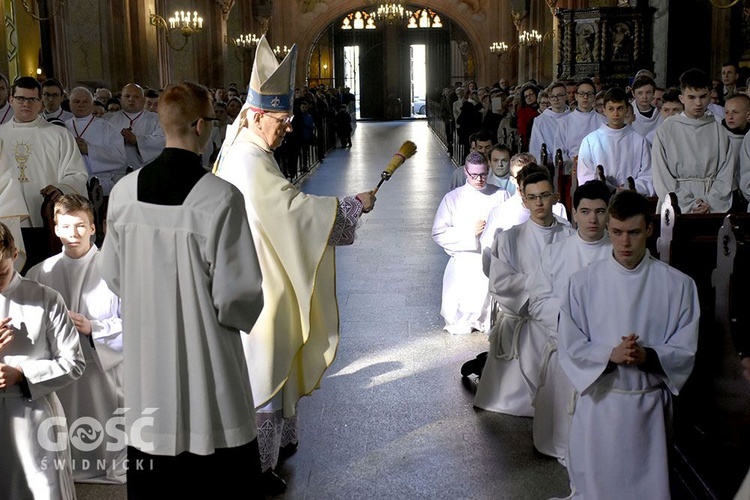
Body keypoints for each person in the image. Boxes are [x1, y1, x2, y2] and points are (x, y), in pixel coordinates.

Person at [214, 36, 376, 493]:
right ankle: (255, 469)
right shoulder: (248, 159)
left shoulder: (245, 146)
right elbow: (288, 212)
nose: (288, 128)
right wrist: (349, 205)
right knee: (263, 361)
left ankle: (276, 444)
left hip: (264, 267)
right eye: (282, 121)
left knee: (275, 354)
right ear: (258, 115)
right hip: (259, 278)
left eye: (289, 120)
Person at [99, 82, 265, 497]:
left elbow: (113, 273)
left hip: (146, 357)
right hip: (205, 352)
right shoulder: (219, 197)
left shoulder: (124, 193)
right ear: (199, 125)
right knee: (213, 448)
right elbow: (237, 294)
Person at [558, 190, 700, 499]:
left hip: (648, 407)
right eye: (617, 232)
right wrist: (610, 355)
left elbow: (685, 349)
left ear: (649, 230)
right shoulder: (582, 283)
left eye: (634, 233)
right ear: (608, 229)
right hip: (600, 403)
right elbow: (569, 344)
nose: (624, 242)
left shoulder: (678, 285)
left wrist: (647, 356)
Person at [26, 194, 125, 484]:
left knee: (105, 425)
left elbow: (138, 321)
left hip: (102, 366)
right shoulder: (40, 272)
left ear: (94, 228)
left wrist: (93, 327)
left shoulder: (116, 268)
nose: (73, 234)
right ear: (55, 229)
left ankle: (107, 465)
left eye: (81, 226)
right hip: (60, 367)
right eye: (66, 227)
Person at [474, 168, 575, 416]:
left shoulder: (570, 236)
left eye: (544, 195)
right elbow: (500, 283)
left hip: (558, 321)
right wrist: (543, 288)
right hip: (524, 318)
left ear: (554, 197)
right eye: (533, 197)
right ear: (525, 200)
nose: (539, 202)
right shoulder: (509, 238)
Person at [527, 180, 611, 464]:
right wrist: (573, 322)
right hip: (565, 347)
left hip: (606, 353)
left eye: (600, 211)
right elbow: (538, 301)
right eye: (585, 211)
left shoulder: (619, 252)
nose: (592, 219)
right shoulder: (556, 252)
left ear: (609, 214)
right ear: (573, 213)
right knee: (565, 427)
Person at [0, 221, 85, 499]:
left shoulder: (45, 298)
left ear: (15, 255)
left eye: (1, 273)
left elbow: (73, 362)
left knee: (42, 490)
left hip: (34, 414)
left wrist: (21, 373)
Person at [433, 152, 509, 335]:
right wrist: (469, 233)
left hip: (493, 257)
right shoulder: (452, 198)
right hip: (465, 258)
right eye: (474, 175)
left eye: (483, 174)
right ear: (465, 172)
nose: (479, 179)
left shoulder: (501, 195)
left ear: (488, 171)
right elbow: (438, 232)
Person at [0, 77, 88, 227]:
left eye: (32, 99)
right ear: (11, 100)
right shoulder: (1, 134)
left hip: (48, 216)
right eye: (20, 98)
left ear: (40, 103)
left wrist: (61, 189)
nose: (26, 104)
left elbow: (76, 173)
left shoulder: (59, 135)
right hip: (7, 217)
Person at [652, 68, 735, 213]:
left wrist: (709, 202)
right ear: (682, 98)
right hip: (676, 207)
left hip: (710, 206)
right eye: (691, 97)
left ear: (710, 96)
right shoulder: (666, 130)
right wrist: (689, 205)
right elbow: (662, 176)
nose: (698, 103)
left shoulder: (719, 131)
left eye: (703, 97)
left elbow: (725, 176)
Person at [577, 87, 654, 195]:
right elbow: (586, 176)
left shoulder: (640, 141)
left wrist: (629, 188)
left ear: (627, 110)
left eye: (620, 108)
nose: (616, 114)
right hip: (600, 198)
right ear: (604, 110)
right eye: (611, 109)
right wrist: (607, 189)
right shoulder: (590, 141)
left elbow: (647, 176)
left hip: (631, 197)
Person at [65, 87, 127, 195]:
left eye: (85, 101)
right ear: (69, 104)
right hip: (70, 185)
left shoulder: (106, 127)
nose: (81, 104)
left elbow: (119, 156)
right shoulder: (63, 127)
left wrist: (89, 150)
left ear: (92, 103)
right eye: (76, 101)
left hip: (100, 185)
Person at [103, 83, 165, 170]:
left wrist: (137, 141)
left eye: (136, 96)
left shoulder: (156, 119)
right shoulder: (108, 119)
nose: (131, 99)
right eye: (127, 96)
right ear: (121, 99)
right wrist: (119, 140)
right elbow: (100, 143)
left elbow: (162, 141)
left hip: (145, 170)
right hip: (116, 171)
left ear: (143, 100)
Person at [554, 78, 605, 168]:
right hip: (572, 168)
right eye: (582, 94)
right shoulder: (565, 122)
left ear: (594, 97)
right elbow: (559, 150)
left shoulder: (603, 121)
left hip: (598, 166)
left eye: (589, 94)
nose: (585, 97)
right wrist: (572, 165)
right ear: (576, 96)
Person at [530, 81, 570, 166]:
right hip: (549, 164)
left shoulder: (574, 118)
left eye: (559, 95)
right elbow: (536, 147)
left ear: (566, 96)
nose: (556, 99)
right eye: (552, 96)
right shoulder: (540, 121)